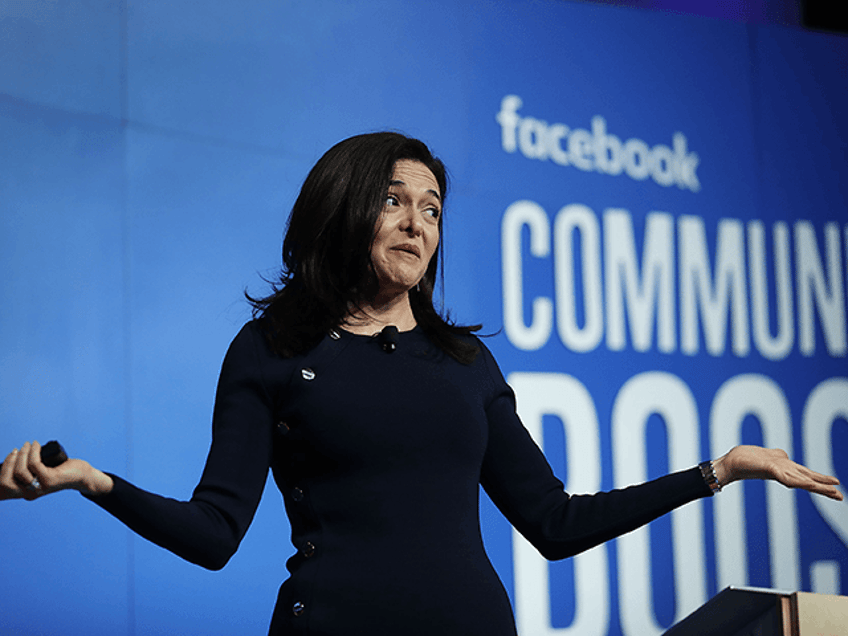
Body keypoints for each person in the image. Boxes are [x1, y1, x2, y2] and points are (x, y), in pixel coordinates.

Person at [1, 132, 842, 636]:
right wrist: (92, 482)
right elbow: (215, 532)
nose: (417, 222)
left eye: (433, 207)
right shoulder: (269, 349)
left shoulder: (466, 364)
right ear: (345, 211)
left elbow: (554, 523)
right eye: (395, 201)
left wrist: (718, 471)